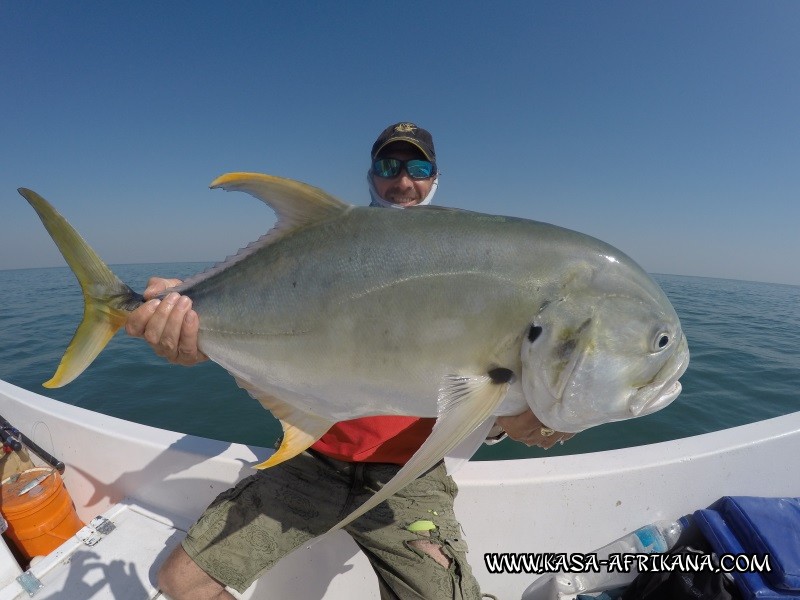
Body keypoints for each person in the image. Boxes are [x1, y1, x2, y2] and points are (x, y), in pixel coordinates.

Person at [126, 122, 572, 600]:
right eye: (388, 166)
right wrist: (189, 333)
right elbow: (270, 333)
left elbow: (483, 383)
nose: (403, 181)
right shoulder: (322, 263)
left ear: (436, 177)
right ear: (370, 175)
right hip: (312, 462)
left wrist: (526, 418)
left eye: (418, 167)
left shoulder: (475, 278)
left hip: (409, 478)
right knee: (180, 583)